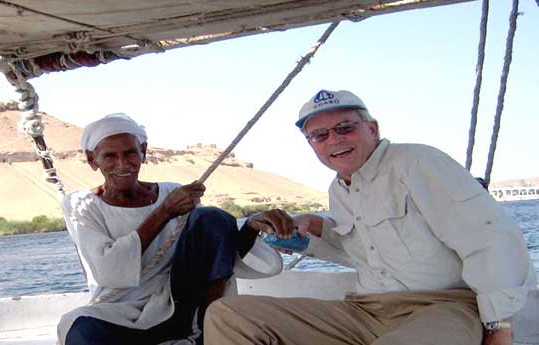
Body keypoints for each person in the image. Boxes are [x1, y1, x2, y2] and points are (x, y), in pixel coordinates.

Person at [204, 90, 537, 345]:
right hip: (363, 310)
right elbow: (365, 252)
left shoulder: (417, 162)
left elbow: (489, 237)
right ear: (311, 144)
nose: (333, 140)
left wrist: (499, 326)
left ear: (372, 129)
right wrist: (313, 231)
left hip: (442, 307)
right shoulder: (340, 189)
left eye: (345, 128)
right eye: (319, 136)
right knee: (229, 315)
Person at [57, 113, 278, 345]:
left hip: (179, 299)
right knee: (80, 328)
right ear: (93, 160)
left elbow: (214, 253)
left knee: (211, 216)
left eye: (130, 152)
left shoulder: (171, 191)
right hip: (120, 307)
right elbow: (109, 272)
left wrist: (250, 228)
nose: (122, 164)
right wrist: (164, 212)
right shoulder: (80, 205)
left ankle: (210, 324)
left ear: (143, 150)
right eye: (110, 156)